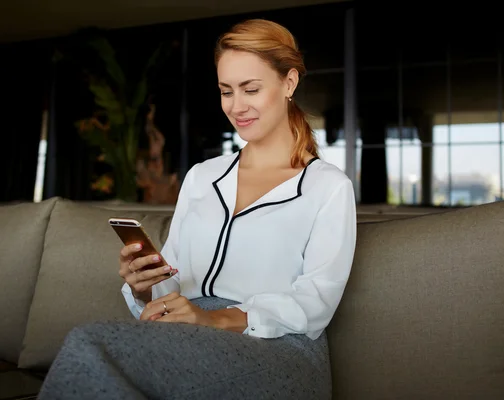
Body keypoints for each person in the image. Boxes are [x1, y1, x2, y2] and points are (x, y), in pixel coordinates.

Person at [38, 18, 357, 400]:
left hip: (280, 350)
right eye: (226, 91)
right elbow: (174, 278)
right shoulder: (202, 177)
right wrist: (144, 287)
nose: (237, 107)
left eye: (250, 89)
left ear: (289, 83)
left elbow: (316, 301)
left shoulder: (328, 188)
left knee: (89, 343)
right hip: (190, 333)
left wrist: (214, 319)